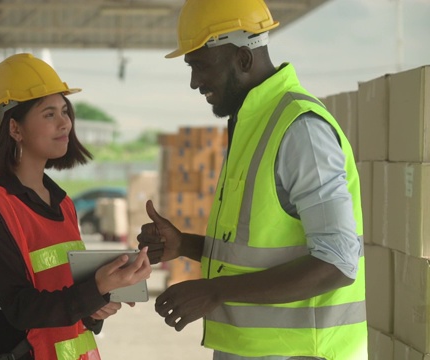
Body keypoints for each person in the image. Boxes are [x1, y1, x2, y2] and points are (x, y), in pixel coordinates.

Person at [137, 1, 367, 359]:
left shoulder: (299, 130)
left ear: (243, 59)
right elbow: (254, 251)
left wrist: (215, 291)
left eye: (199, 65)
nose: (195, 82)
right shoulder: (253, 124)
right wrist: (184, 245)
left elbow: (337, 262)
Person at [0, 53, 151, 360]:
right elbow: (20, 309)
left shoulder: (62, 203)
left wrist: (94, 307)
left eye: (64, 111)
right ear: (14, 129)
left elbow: (64, 295)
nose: (65, 123)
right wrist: (93, 289)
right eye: (49, 114)